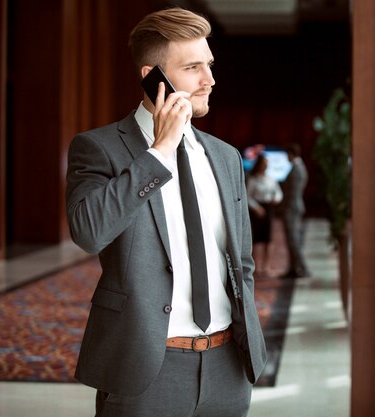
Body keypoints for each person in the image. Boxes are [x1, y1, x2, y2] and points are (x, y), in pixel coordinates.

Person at [65, 8, 266, 417]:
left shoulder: (225, 158)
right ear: (152, 77)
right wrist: (159, 152)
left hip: (227, 366)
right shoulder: (99, 148)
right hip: (145, 369)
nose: (209, 80)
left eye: (208, 65)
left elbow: (241, 262)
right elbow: (89, 231)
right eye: (193, 68)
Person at [246, 154, 283, 277]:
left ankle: (267, 266)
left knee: (268, 238)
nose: (265, 166)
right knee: (256, 239)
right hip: (257, 209)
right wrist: (256, 208)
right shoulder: (253, 179)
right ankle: (256, 266)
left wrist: (276, 199)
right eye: (264, 164)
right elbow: (248, 196)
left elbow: (278, 193)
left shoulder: (270, 179)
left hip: (269, 208)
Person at [279, 143, 310, 278]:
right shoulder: (298, 167)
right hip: (292, 207)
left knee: (293, 240)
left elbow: (293, 192)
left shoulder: (297, 169)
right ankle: (294, 268)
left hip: (292, 208)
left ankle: (303, 268)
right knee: (291, 239)